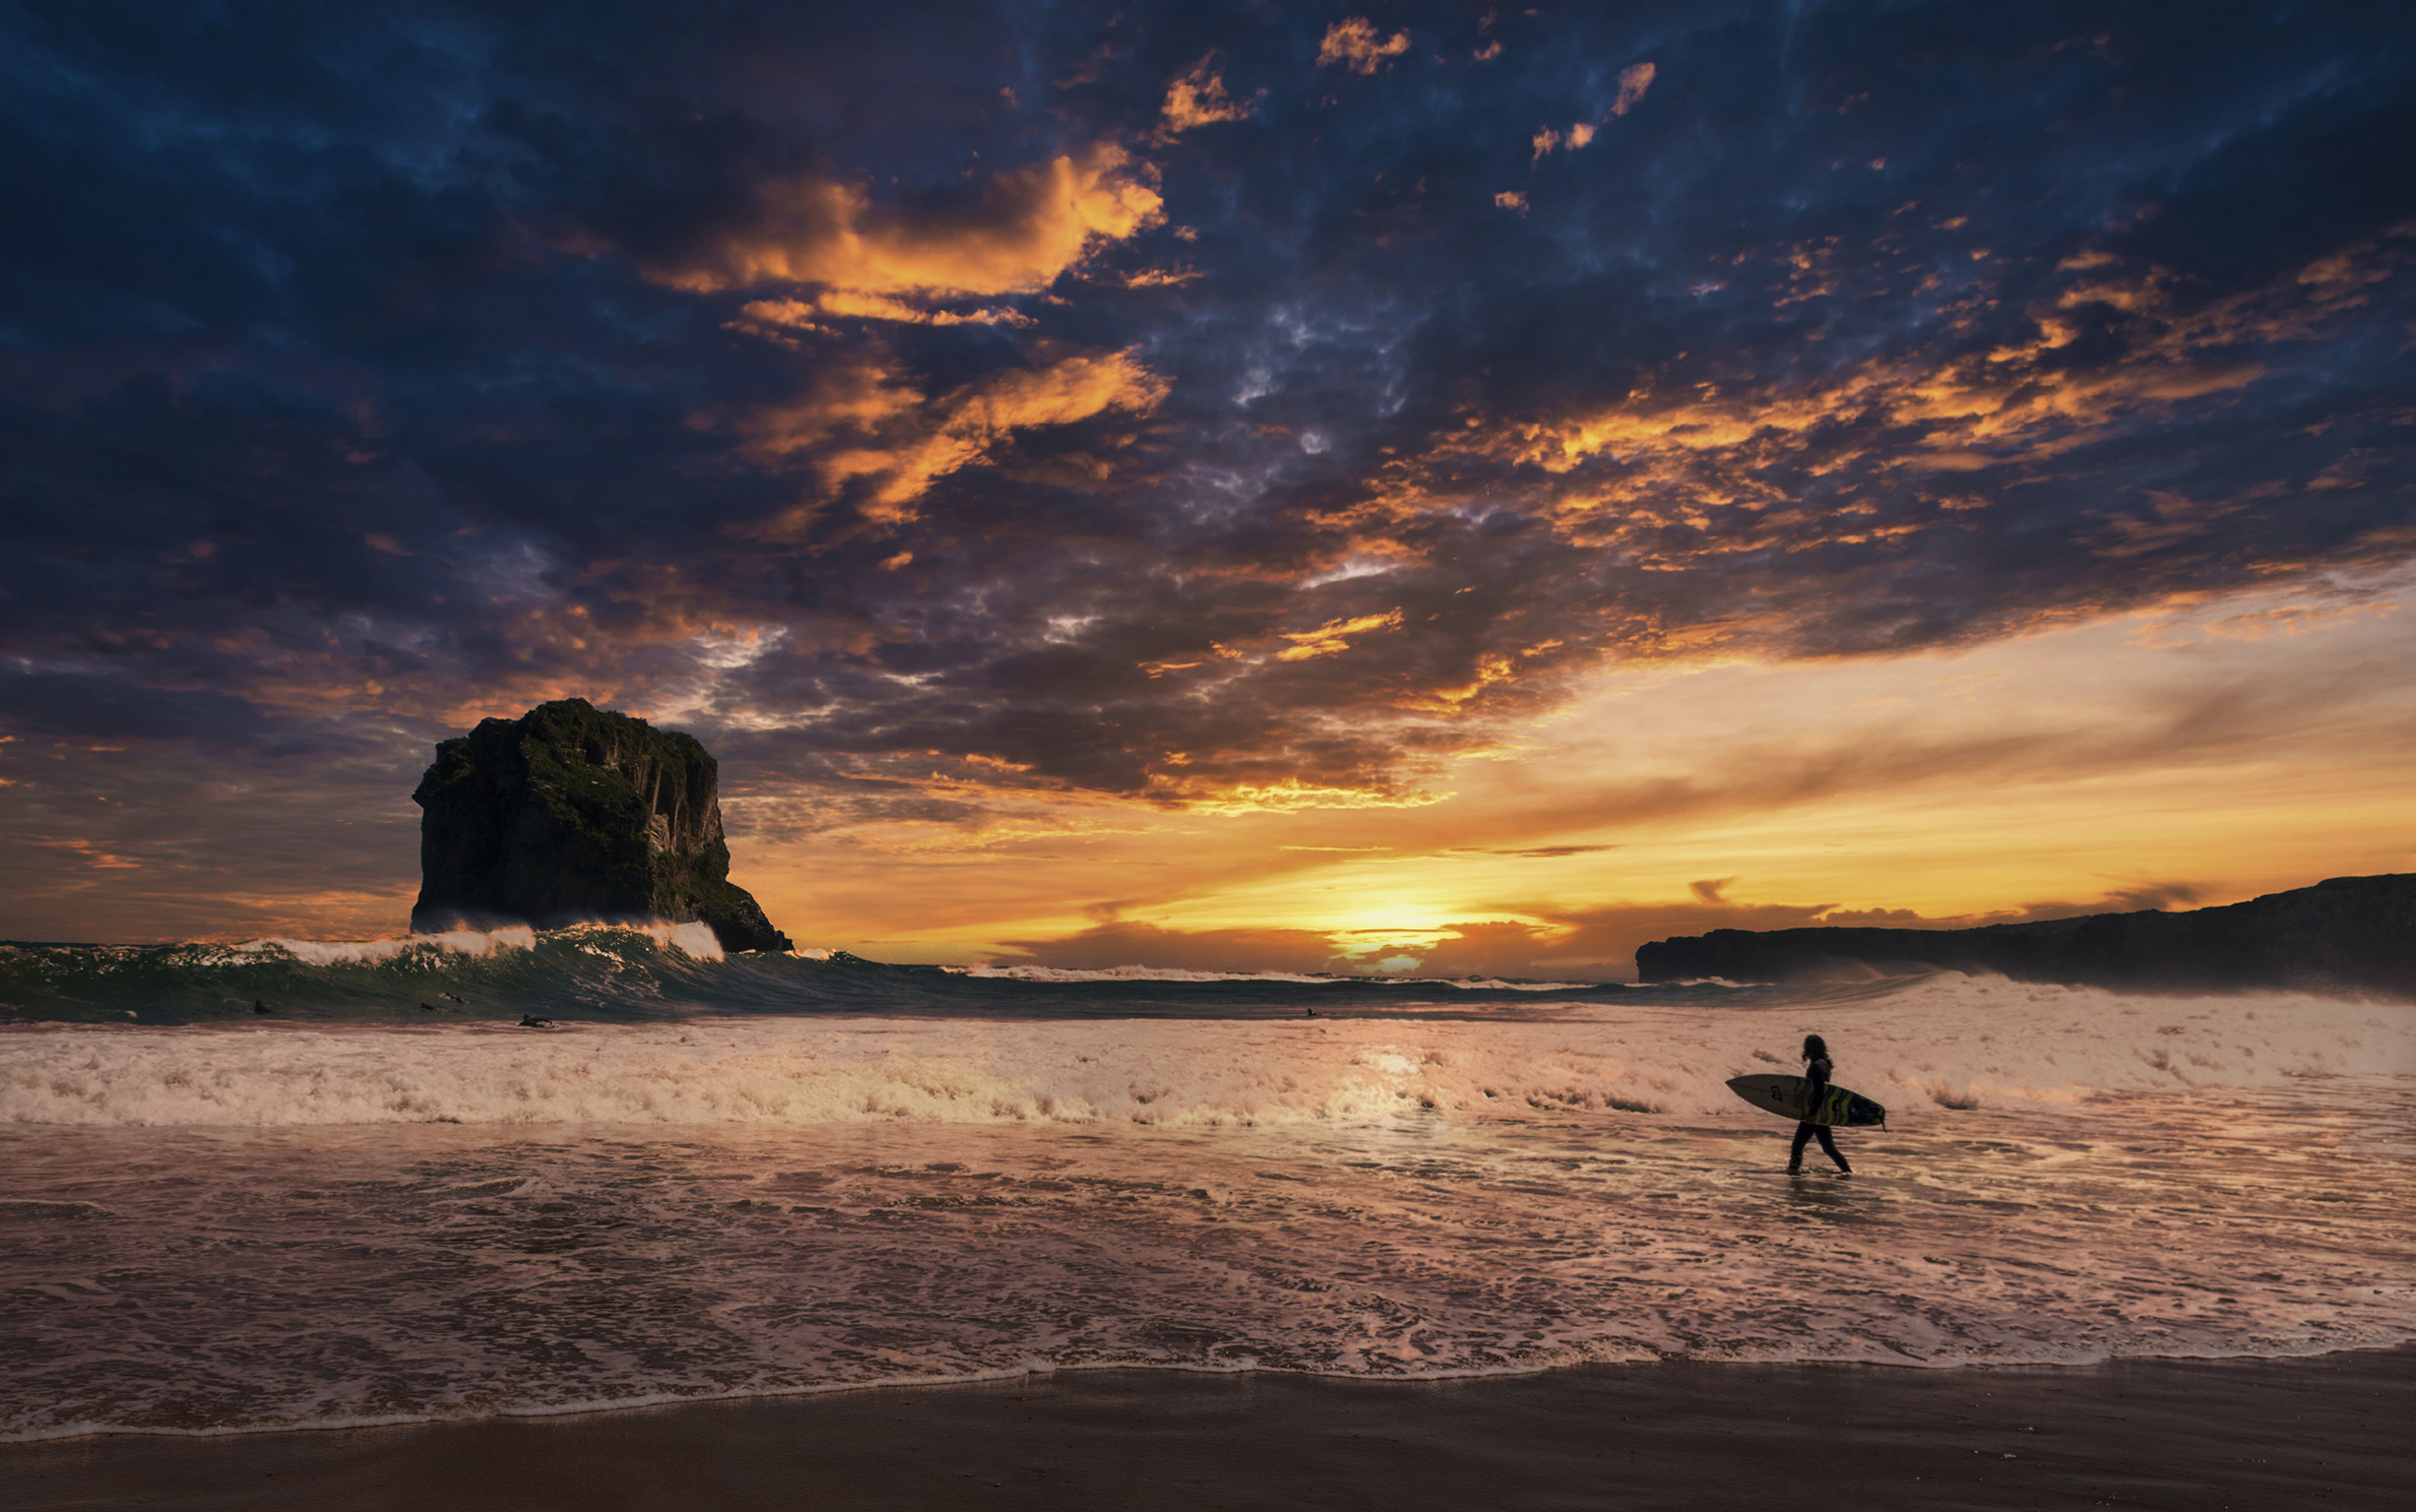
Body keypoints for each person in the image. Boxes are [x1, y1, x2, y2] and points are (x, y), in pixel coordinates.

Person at [1789, 1033, 1853, 1175]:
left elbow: (1819, 1091)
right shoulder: (1823, 1063)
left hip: (1815, 1111)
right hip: (1822, 1111)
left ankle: (1793, 1172)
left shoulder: (1816, 1067)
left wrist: (1812, 1113)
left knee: (1798, 1145)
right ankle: (1847, 1172)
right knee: (1829, 1148)